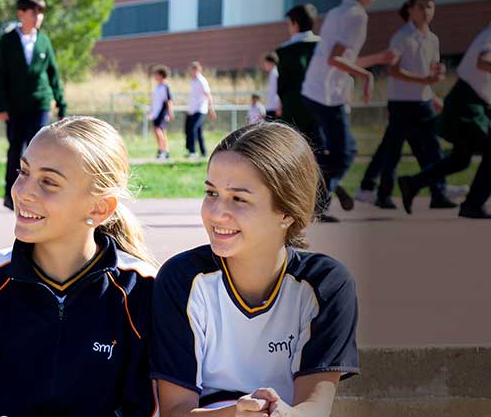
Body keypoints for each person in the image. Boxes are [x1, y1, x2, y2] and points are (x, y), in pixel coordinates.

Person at [0, 117, 156, 416]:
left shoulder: (144, 290)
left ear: (99, 208)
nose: (22, 192)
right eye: (24, 171)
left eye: (49, 182)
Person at [153, 123, 359, 417]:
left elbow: (315, 408)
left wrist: (282, 414)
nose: (216, 212)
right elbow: (175, 411)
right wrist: (237, 412)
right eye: (211, 193)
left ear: (287, 211)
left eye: (238, 198)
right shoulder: (182, 279)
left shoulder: (326, 284)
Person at [398, 0, 491, 220]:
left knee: (461, 158)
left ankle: (412, 183)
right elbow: (483, 61)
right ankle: (472, 204)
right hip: (467, 103)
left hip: (472, 102)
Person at [300, 0, 398, 219]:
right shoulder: (357, 16)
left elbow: (340, 57)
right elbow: (336, 59)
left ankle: (323, 188)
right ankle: (316, 204)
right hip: (327, 94)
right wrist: (366, 76)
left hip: (315, 90)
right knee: (345, 152)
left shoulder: (336, 12)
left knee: (333, 152)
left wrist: (376, 59)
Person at [357, 0, 452, 211]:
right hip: (401, 103)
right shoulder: (401, 36)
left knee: (433, 149)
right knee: (394, 151)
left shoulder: (433, 39)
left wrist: (435, 84)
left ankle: (439, 193)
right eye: (421, 7)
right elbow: (394, 70)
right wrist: (426, 79)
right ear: (410, 9)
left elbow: (430, 71)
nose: (426, 11)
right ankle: (384, 194)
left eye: (430, 7)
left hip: (424, 102)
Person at [0, 0, 66, 211]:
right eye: (34, 12)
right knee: (16, 150)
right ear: (21, 13)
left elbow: (53, 75)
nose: (38, 17)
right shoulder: (8, 40)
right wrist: (0, 105)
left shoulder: (43, 41)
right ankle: (10, 194)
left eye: (41, 13)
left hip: (39, 104)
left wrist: (61, 104)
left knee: (38, 151)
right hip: (14, 107)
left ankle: (38, 194)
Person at [269, 4, 327, 221]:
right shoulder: (322, 47)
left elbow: (282, 85)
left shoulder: (284, 51)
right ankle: (319, 203)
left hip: (293, 109)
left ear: (294, 24)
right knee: (320, 155)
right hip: (319, 107)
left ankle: (291, 202)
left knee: (291, 156)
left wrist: (281, 104)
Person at [185, 61, 216, 158]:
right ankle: (203, 153)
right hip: (193, 110)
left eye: (191, 70)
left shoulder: (202, 81)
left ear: (196, 70)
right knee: (198, 131)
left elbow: (208, 95)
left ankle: (193, 152)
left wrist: (211, 109)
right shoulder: (193, 81)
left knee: (193, 129)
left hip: (200, 110)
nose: (189, 72)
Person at [147, 65, 173, 160]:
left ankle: (164, 151)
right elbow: (154, 101)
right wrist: (151, 111)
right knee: (158, 131)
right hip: (156, 113)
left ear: (161, 75)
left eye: (156, 75)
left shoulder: (165, 87)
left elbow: (168, 100)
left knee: (159, 131)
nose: (155, 77)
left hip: (162, 112)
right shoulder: (157, 87)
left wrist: (170, 112)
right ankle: (162, 150)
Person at [259, 52, 280, 123]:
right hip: (270, 107)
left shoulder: (275, 74)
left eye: (266, 63)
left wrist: (279, 107)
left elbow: (278, 91)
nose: (265, 66)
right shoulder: (272, 74)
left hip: (274, 107)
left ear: (271, 63)